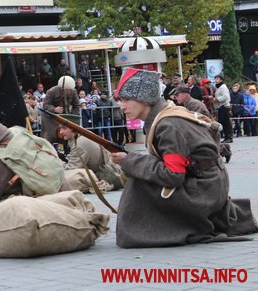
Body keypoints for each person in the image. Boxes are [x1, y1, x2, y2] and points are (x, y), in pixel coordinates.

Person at [110, 68, 257, 248]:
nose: (122, 106)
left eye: (126, 100)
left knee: (138, 181)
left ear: (144, 98)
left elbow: (173, 174)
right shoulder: (165, 116)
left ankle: (143, 231)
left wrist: (129, 161)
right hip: (210, 183)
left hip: (205, 189)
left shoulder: (167, 125)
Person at [40, 75, 80, 143]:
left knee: (69, 136)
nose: (69, 92)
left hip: (65, 118)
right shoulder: (51, 91)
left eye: (70, 90)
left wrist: (72, 116)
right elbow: (45, 105)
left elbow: (77, 106)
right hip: (51, 119)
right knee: (49, 137)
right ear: (61, 88)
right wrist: (54, 109)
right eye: (67, 90)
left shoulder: (73, 91)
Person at [213, 74, 233, 143]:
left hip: (224, 106)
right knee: (223, 122)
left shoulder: (223, 87)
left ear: (221, 80)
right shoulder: (219, 87)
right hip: (221, 107)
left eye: (217, 79)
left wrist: (217, 99)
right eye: (215, 79)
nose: (216, 80)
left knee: (226, 122)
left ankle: (229, 137)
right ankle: (227, 137)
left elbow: (226, 96)